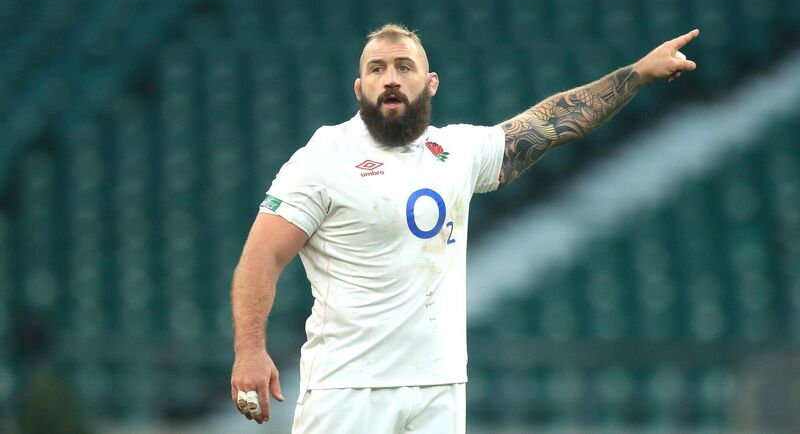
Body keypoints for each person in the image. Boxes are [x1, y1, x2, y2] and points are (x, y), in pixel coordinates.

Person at [230, 23, 700, 433]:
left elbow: (554, 120)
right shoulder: (324, 158)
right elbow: (261, 256)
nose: (390, 78)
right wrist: (250, 351)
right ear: (359, 88)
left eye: (404, 67)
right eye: (376, 69)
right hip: (350, 387)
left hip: (441, 385)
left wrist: (638, 73)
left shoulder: (456, 152)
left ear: (430, 82)